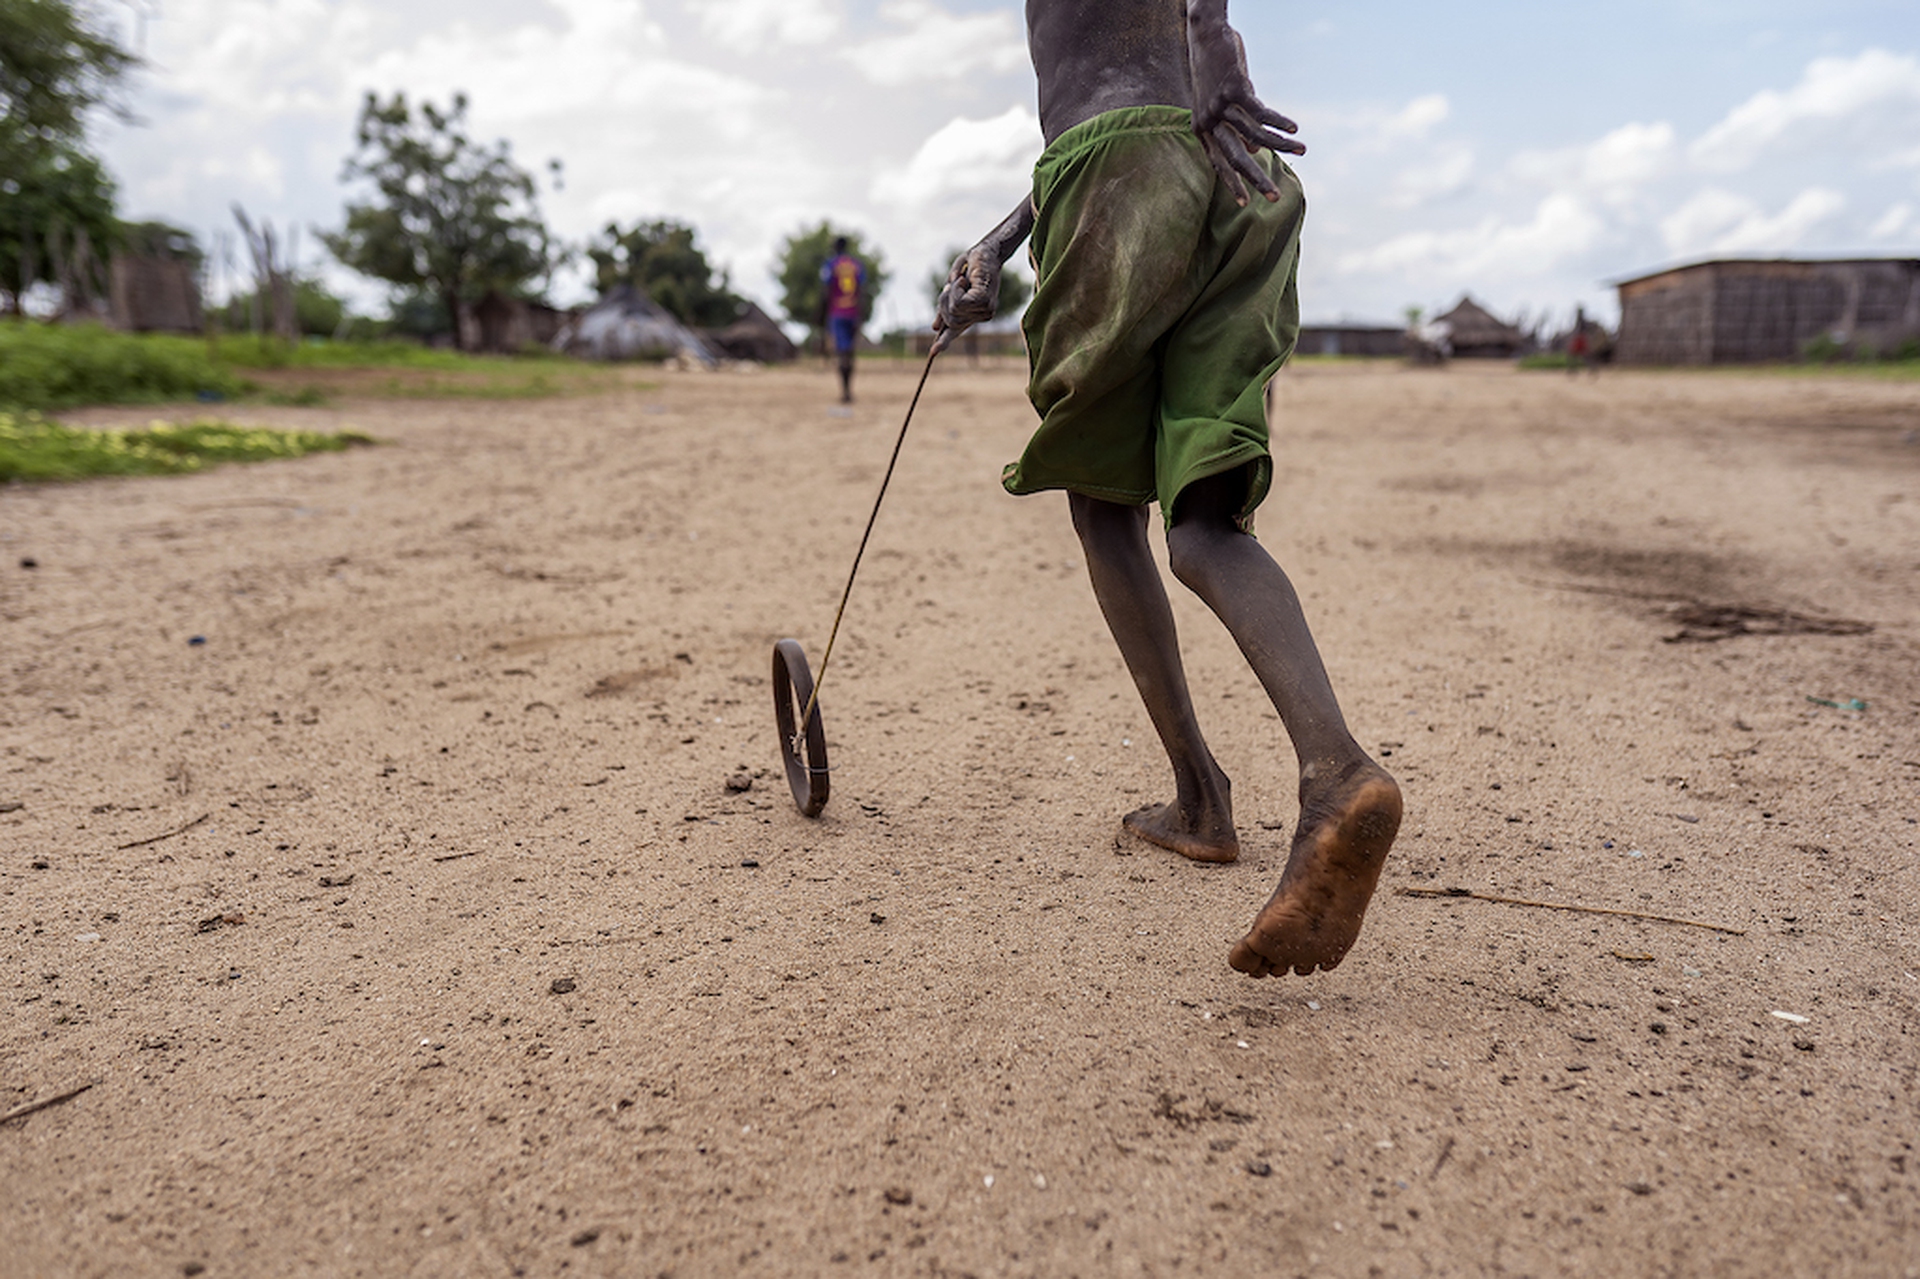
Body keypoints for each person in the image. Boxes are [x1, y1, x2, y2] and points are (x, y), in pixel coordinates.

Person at [933, 0, 1403, 979]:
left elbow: (1111, 126)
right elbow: (1136, 104)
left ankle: (1199, 792)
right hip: (1241, 173)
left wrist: (1215, 39)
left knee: (1105, 505)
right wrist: (1003, 239)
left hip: (1129, 162)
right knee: (1205, 523)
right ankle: (1333, 770)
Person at [821, 236, 867, 403]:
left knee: (841, 353)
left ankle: (845, 391)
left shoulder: (831, 265)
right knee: (850, 352)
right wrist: (860, 315)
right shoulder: (857, 265)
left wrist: (822, 314)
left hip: (837, 312)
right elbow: (862, 291)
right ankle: (849, 390)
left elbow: (826, 290)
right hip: (853, 312)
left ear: (835, 247)